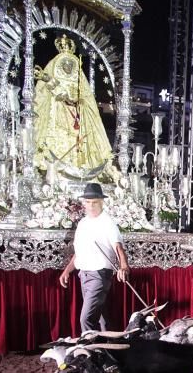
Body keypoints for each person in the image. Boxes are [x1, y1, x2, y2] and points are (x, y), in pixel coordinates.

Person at [33, 34, 113, 175]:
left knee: (79, 141)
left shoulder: (78, 80)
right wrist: (48, 80)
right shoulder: (53, 73)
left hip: (76, 116)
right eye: (65, 65)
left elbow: (81, 96)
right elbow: (50, 92)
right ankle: (53, 170)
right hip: (57, 114)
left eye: (70, 65)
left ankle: (79, 168)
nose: (68, 67)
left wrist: (76, 99)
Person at [59, 183, 130, 334]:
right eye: (88, 202)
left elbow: (119, 248)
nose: (91, 206)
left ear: (102, 202)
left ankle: (89, 352)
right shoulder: (83, 223)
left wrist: (124, 267)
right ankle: (109, 349)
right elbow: (79, 253)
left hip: (99, 275)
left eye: (95, 202)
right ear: (84, 203)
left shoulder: (108, 223)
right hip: (83, 274)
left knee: (86, 319)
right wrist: (66, 271)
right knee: (101, 318)